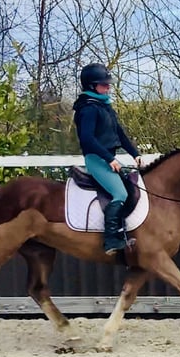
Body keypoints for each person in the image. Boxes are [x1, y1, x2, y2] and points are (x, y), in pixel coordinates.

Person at [73, 63, 142, 254]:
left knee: (130, 187)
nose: (108, 87)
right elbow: (87, 139)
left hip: (107, 157)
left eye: (108, 84)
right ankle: (110, 240)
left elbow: (120, 134)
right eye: (104, 84)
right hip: (96, 159)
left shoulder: (105, 107)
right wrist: (109, 159)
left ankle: (122, 231)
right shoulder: (88, 109)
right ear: (91, 86)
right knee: (120, 194)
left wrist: (135, 154)